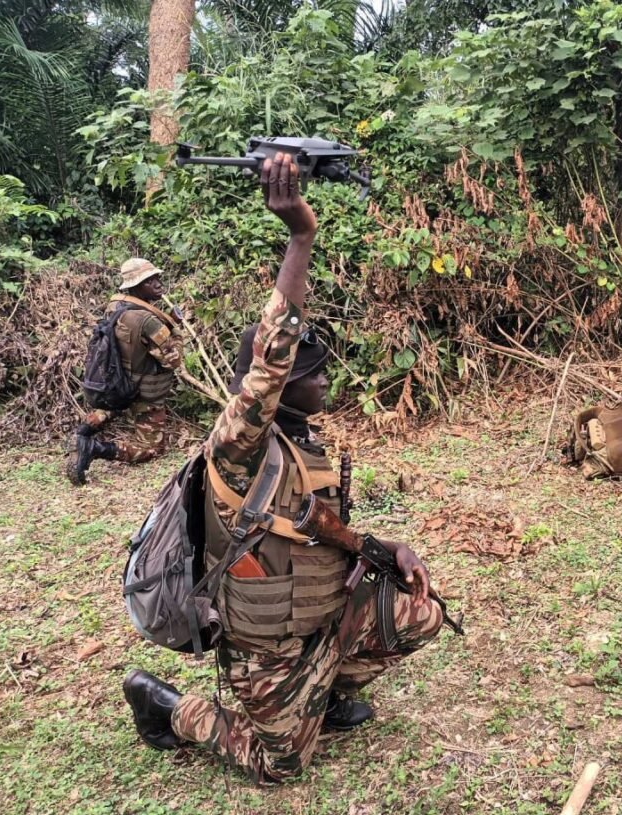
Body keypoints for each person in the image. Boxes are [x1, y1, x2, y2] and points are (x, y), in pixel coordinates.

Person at [121, 155, 445, 784]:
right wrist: (301, 236)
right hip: (265, 648)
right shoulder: (239, 445)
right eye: (309, 373)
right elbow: (269, 362)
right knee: (280, 766)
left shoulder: (303, 443)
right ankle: (168, 707)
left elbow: (309, 531)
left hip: (319, 621)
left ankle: (323, 696)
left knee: (418, 611)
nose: (323, 381)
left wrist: (385, 548)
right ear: (278, 384)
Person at [66, 258, 183, 485]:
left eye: (157, 278)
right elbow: (173, 360)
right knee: (152, 450)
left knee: (113, 407)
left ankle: (81, 433)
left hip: (117, 383)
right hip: (143, 393)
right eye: (149, 281)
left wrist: (166, 323)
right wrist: (176, 330)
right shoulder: (148, 320)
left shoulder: (115, 305)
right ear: (136, 286)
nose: (158, 284)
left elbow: (134, 341)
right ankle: (94, 448)